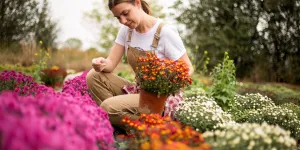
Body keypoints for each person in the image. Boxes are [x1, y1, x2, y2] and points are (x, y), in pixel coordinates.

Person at [86, 0, 194, 130]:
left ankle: (158, 128)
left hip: (160, 98)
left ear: (137, 3)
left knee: (107, 107)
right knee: (94, 76)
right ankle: (123, 119)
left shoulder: (164, 32)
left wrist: (165, 84)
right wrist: (100, 63)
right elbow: (110, 64)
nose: (123, 21)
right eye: (118, 17)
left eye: (125, 13)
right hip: (139, 91)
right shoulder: (126, 31)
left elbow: (188, 67)